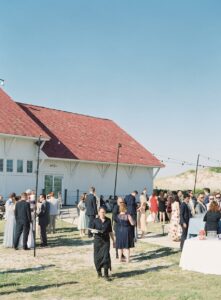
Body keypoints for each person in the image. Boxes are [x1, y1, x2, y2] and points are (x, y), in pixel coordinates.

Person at [92, 207, 115, 281]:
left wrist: (113, 240)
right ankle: (99, 272)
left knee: (106, 257)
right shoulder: (95, 220)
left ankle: (106, 274)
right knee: (97, 258)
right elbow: (91, 231)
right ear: (98, 213)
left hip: (106, 241)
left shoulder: (108, 220)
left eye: (104, 212)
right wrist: (94, 231)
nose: (103, 214)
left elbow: (110, 231)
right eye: (101, 212)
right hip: (97, 241)